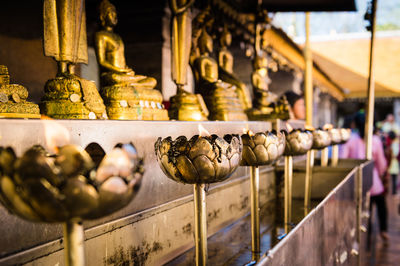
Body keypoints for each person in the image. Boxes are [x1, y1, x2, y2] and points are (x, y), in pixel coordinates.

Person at [340, 111, 389, 241]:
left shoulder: (350, 139)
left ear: (355, 123)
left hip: (355, 184)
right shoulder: (376, 140)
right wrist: (380, 174)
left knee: (362, 213)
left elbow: (342, 159)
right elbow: (381, 163)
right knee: (381, 207)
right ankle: (383, 230)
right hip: (374, 183)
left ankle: (364, 236)